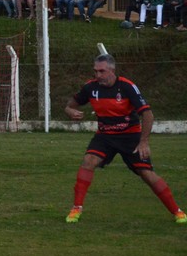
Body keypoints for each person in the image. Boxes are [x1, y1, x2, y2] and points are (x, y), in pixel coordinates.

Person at [64, 54, 186, 225]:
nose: (97, 75)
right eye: (95, 71)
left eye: (101, 71)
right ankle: (76, 207)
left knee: (147, 174)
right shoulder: (90, 88)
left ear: (112, 71)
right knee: (88, 161)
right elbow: (72, 103)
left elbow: (147, 114)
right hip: (105, 136)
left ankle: (177, 211)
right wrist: (69, 110)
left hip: (130, 137)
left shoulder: (127, 87)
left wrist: (143, 142)